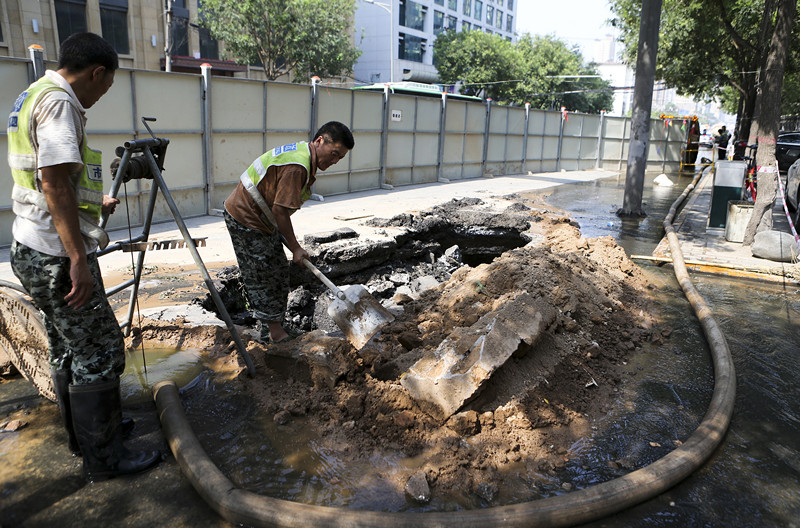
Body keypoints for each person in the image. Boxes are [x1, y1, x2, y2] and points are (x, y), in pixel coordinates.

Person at [7, 32, 160, 481]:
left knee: (66, 346)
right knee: (101, 349)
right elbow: (52, 181)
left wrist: (95, 208)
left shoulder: (33, 93)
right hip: (55, 254)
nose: (99, 96)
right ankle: (106, 458)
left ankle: (87, 436)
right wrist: (77, 258)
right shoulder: (59, 103)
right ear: (96, 73)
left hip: (29, 244)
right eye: (105, 86)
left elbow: (56, 184)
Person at [223, 121, 354, 343]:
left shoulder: (303, 156)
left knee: (275, 270)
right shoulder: (298, 167)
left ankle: (274, 327)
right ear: (320, 141)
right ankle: (273, 334)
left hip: (261, 216)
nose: (334, 161)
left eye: (339, 158)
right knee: (266, 273)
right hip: (246, 216)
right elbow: (280, 211)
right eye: (333, 154)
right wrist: (296, 248)